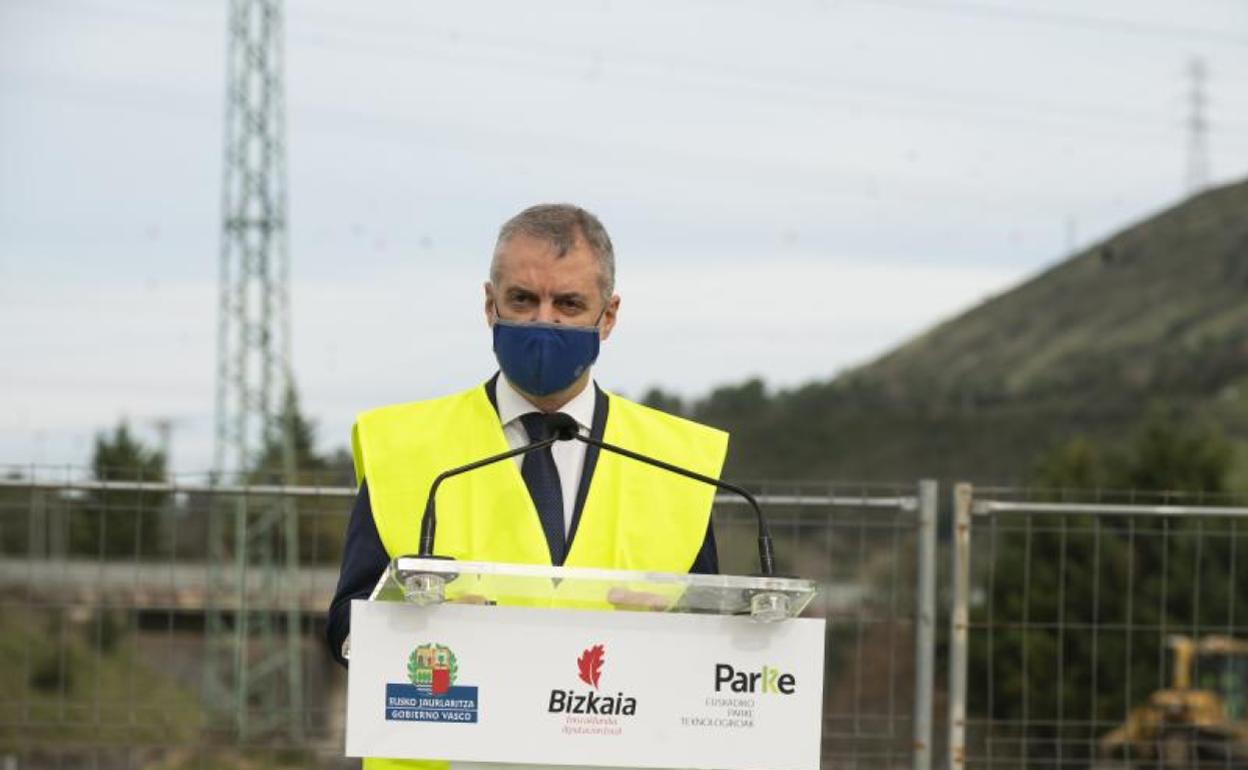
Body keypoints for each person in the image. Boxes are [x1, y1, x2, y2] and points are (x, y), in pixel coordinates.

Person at [326, 204, 730, 768]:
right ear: (490, 304)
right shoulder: (404, 447)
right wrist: (405, 624)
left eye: (568, 304)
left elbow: (717, 637)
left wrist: (678, 634)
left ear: (607, 316)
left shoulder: (676, 460)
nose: (545, 322)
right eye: (523, 300)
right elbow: (348, 619)